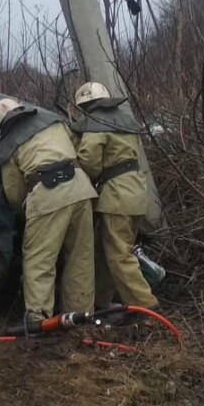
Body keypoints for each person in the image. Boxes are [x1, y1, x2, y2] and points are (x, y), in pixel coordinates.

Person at [0, 97, 97, 329]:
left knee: (39, 259)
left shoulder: (8, 145)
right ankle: (80, 315)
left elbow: (14, 193)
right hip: (80, 188)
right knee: (81, 256)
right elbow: (78, 146)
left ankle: (38, 320)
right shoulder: (52, 122)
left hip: (48, 194)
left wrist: (24, 212)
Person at [71, 81, 160, 311]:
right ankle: (101, 303)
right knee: (104, 252)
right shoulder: (123, 121)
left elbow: (89, 164)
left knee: (119, 256)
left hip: (116, 198)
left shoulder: (96, 125)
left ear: (85, 105)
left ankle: (147, 307)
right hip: (135, 193)